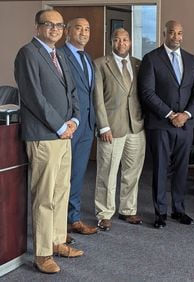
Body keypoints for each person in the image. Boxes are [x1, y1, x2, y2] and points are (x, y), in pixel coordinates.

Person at [14, 9, 84, 274]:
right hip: (44, 135)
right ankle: (42, 254)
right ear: (37, 27)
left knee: (61, 192)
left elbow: (73, 91)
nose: (55, 29)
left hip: (65, 134)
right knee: (44, 197)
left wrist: (74, 121)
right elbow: (33, 97)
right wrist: (59, 126)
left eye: (59, 25)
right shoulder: (28, 54)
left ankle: (58, 241)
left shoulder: (60, 55)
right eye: (49, 24)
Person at [138, 20, 194, 228]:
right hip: (160, 124)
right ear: (164, 34)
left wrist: (185, 114)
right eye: (172, 33)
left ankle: (179, 209)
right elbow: (147, 92)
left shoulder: (192, 60)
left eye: (180, 33)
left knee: (181, 169)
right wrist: (169, 114)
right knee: (160, 168)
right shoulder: (151, 59)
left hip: (185, 125)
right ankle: (160, 212)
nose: (176, 37)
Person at [93, 28, 145, 231]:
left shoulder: (138, 64)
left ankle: (128, 209)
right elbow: (97, 99)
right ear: (111, 42)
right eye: (117, 40)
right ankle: (104, 213)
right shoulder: (100, 64)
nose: (121, 43)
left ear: (130, 42)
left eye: (125, 39)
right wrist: (103, 126)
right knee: (107, 172)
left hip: (136, 126)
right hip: (111, 127)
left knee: (132, 171)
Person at [59, 17, 98, 242]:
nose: (84, 32)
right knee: (61, 177)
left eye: (87, 28)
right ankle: (57, 226)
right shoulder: (60, 55)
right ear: (68, 31)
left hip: (87, 125)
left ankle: (73, 219)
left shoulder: (88, 58)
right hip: (68, 125)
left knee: (77, 175)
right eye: (79, 28)